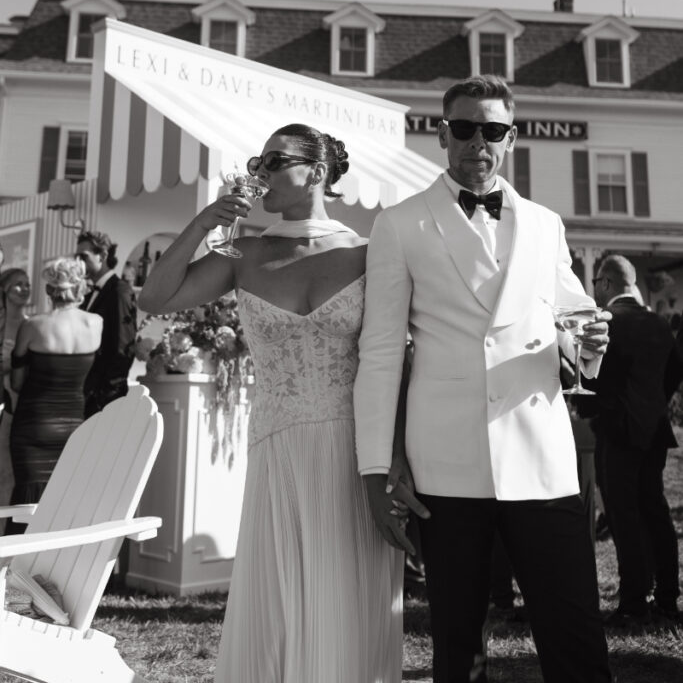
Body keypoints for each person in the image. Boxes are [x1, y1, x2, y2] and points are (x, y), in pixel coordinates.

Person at [354, 74, 614, 683]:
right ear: (443, 134)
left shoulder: (547, 224)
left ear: (511, 138)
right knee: (457, 641)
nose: (479, 141)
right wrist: (374, 471)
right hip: (447, 465)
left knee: (574, 632)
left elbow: (573, 322)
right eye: (465, 128)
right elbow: (382, 350)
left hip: (541, 457)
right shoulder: (400, 224)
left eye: (492, 130)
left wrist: (590, 342)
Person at [139, 124, 404, 683]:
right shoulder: (244, 252)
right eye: (256, 160)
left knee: (347, 589)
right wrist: (204, 223)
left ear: (317, 170)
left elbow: (393, 361)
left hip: (355, 447)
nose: (259, 172)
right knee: (280, 596)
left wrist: (394, 460)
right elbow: (155, 297)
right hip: (277, 444)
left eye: (273, 160)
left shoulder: (370, 253)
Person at [591, 254, 680, 624]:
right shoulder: (660, 324)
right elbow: (674, 371)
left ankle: (632, 602)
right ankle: (667, 595)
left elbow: (593, 381)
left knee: (623, 515)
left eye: (596, 282)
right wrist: (653, 406)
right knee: (656, 511)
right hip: (655, 431)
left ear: (608, 283)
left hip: (617, 431)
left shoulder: (606, 324)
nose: (593, 289)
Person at [7, 258, 101, 531]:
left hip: (33, 427)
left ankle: (14, 568)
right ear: (80, 287)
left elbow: (16, 382)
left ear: (49, 290)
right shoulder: (95, 323)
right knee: (66, 502)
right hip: (74, 427)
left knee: (27, 505)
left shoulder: (34, 326)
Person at [75, 230, 137, 417]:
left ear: (102, 256)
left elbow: (123, 347)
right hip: (85, 394)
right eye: (76, 256)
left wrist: (104, 398)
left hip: (104, 400)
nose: (78, 262)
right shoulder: (86, 294)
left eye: (83, 256)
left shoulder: (119, 291)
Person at [0, 268, 32, 510]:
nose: (24, 289)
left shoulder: (33, 325)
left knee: (14, 472)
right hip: (3, 405)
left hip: (26, 408)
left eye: (27, 284)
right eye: (17, 285)